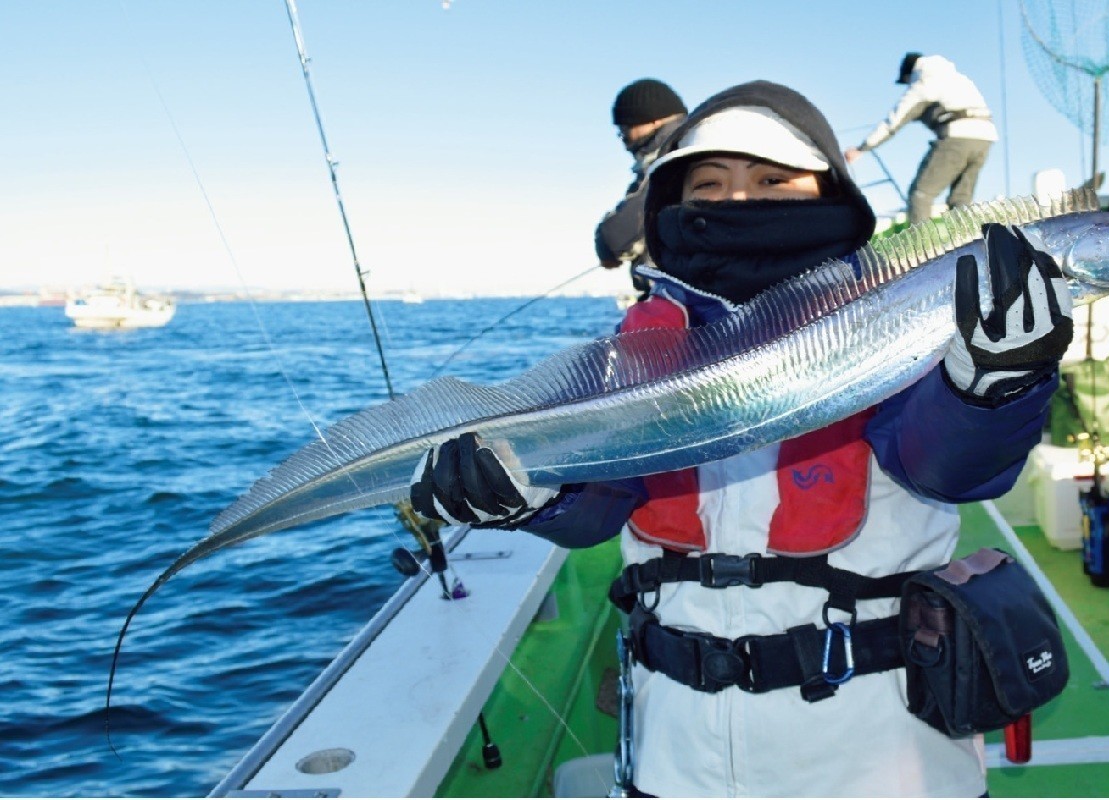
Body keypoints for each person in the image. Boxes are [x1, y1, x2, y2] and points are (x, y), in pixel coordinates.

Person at [410, 80, 1072, 796]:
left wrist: (993, 385)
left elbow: (946, 462)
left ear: (829, 191)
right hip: (675, 752)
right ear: (675, 203)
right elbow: (599, 502)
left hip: (874, 755)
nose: (738, 201)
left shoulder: (901, 314)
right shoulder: (643, 346)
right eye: (711, 183)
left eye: (771, 179)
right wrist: (525, 492)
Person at [845, 53, 998, 224]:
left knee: (920, 195)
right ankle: (972, 246)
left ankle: (925, 250)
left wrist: (861, 148)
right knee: (960, 199)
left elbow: (892, 122)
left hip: (957, 137)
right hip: (986, 137)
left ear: (909, 74)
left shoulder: (923, 83)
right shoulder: (957, 78)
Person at [595, 78, 688, 299]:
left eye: (625, 128)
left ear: (653, 121)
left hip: (676, 304)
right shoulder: (694, 147)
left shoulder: (664, 159)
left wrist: (607, 250)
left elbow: (617, 236)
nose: (624, 139)